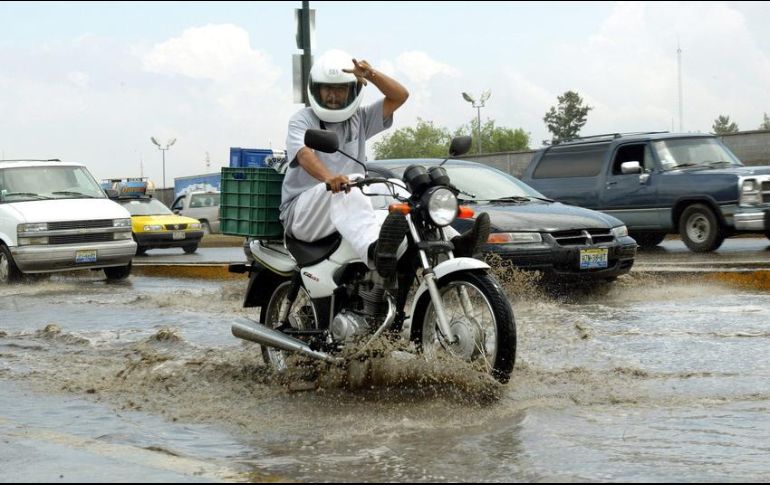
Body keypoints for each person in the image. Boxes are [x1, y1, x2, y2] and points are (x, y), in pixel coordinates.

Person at [280, 49, 490, 277]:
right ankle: (374, 251)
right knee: (353, 183)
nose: (332, 95)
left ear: (353, 90)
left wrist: (370, 74)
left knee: (393, 186)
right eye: (327, 88)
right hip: (303, 213)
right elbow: (304, 154)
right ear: (316, 89)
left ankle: (455, 241)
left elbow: (400, 96)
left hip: (349, 197)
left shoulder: (359, 118)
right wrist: (329, 178)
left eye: (340, 89)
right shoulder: (302, 120)